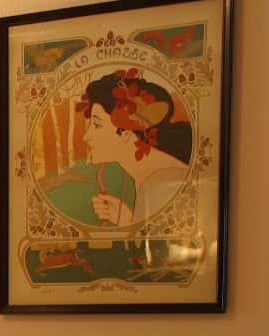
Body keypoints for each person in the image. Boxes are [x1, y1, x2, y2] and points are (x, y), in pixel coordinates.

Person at [77, 68, 191, 227]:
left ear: (127, 133)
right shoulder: (147, 179)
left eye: (97, 125)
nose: (86, 137)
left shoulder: (163, 182)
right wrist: (127, 220)